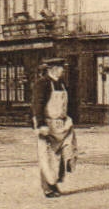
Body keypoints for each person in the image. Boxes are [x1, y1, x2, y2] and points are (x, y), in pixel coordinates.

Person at [31, 57, 77, 198]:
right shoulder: (42, 84)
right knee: (48, 156)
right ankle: (48, 187)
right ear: (53, 69)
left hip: (62, 124)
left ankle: (55, 182)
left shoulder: (61, 84)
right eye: (61, 68)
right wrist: (41, 124)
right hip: (48, 124)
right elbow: (37, 105)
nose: (63, 70)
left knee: (65, 153)